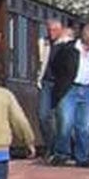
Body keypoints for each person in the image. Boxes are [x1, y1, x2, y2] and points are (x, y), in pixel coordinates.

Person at [50, 21, 89, 167]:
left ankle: (82, 157)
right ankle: (62, 154)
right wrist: (62, 81)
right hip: (70, 88)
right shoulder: (68, 49)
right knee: (66, 123)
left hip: (88, 89)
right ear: (86, 38)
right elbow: (55, 65)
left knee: (84, 125)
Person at [36, 18, 73, 159]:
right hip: (46, 82)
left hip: (61, 84)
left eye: (54, 30)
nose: (51, 33)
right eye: (49, 30)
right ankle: (50, 145)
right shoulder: (44, 43)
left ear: (61, 30)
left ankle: (61, 150)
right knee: (43, 115)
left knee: (62, 117)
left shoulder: (67, 44)